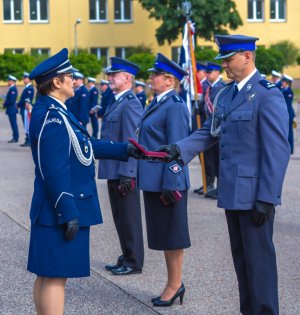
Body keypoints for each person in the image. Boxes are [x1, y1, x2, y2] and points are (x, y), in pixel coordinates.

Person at [157, 35, 290, 315]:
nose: (225, 65)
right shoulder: (226, 94)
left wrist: (268, 196)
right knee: (242, 262)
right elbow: (210, 131)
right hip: (233, 192)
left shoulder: (267, 94)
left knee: (260, 262)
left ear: (247, 57)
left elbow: (277, 150)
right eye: (223, 60)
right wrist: (178, 149)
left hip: (255, 195)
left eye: (228, 59)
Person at [27, 48, 143, 315]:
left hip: (55, 206)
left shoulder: (56, 110)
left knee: (49, 273)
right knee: (55, 276)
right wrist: (67, 211)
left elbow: (83, 145)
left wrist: (124, 149)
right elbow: (53, 170)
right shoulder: (52, 116)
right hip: (60, 207)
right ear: (56, 82)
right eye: (69, 76)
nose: (74, 81)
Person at [138, 53, 190, 307]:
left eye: (154, 75)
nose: (150, 79)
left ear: (169, 80)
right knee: (165, 235)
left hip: (167, 182)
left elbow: (178, 148)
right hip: (154, 179)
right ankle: (172, 282)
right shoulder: (157, 102)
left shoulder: (175, 106)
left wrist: (173, 183)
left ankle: (175, 284)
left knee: (173, 235)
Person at [98, 57, 144, 276]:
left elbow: (131, 141)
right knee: (119, 216)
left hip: (124, 171)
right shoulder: (116, 100)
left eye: (113, 75)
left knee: (129, 217)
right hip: (114, 169)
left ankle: (134, 260)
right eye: (109, 75)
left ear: (127, 78)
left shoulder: (131, 103)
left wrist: (128, 173)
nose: (109, 78)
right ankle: (126, 255)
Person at [202, 62, 226, 200]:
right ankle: (212, 185)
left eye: (210, 72)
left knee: (219, 160)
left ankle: (221, 188)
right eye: (206, 72)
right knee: (211, 160)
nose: (207, 75)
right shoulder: (209, 88)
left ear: (217, 72)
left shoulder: (221, 87)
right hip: (211, 130)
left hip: (218, 131)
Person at [17, 72, 35, 147]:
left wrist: (18, 104)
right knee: (26, 125)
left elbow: (26, 99)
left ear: (28, 79)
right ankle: (27, 139)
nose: (23, 80)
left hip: (26, 108)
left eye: (25, 78)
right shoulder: (27, 88)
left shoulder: (30, 88)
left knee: (27, 125)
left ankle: (29, 140)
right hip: (24, 108)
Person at [281, 74, 295, 154]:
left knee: (289, 132)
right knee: (286, 132)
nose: (282, 83)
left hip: (289, 114)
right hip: (286, 114)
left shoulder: (289, 91)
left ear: (287, 82)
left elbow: (287, 104)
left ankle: (291, 149)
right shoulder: (284, 90)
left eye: (283, 81)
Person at [3, 75, 19, 143]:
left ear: (12, 81)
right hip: (11, 109)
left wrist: (4, 104)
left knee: (14, 124)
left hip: (12, 109)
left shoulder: (13, 89)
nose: (8, 82)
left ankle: (15, 138)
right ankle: (15, 137)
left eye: (9, 80)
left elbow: (11, 100)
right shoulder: (11, 88)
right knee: (13, 124)